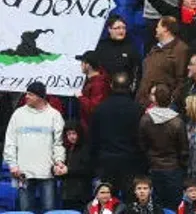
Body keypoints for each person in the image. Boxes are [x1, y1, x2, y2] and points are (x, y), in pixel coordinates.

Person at [3, 81, 66, 213]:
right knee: (25, 210)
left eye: (30, 94)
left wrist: (59, 161)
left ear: (40, 97)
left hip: (47, 173)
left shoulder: (54, 115)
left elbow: (58, 143)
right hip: (23, 172)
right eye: (27, 93)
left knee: (49, 210)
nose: (26, 96)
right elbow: (10, 142)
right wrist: (12, 165)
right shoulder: (18, 114)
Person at [90, 73, 145, 201]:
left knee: (107, 202)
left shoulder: (101, 109)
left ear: (111, 85)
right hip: (131, 161)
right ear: (130, 86)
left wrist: (94, 161)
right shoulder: (137, 109)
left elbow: (93, 138)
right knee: (131, 201)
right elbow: (142, 138)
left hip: (106, 162)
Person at [138, 84, 189, 210]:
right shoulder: (177, 121)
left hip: (154, 167)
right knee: (174, 205)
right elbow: (183, 149)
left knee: (156, 206)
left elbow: (142, 145)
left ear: (154, 99)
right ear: (170, 99)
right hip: (173, 168)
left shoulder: (145, 119)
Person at [136, 16, 190, 107]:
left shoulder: (181, 50)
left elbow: (182, 80)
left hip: (163, 104)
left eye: (158, 26)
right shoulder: (154, 48)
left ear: (165, 29)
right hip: (144, 101)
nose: (156, 29)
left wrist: (171, 100)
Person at [95, 16, 142, 87]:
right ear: (109, 29)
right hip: (103, 88)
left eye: (124, 28)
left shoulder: (131, 48)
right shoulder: (101, 46)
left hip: (124, 89)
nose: (121, 31)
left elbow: (137, 70)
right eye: (118, 28)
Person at [76, 50, 111, 132]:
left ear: (88, 65)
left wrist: (81, 97)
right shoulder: (93, 81)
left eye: (82, 63)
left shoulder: (98, 84)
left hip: (93, 128)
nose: (81, 65)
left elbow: (94, 108)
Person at [62, 121, 91, 212]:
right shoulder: (67, 149)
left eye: (74, 133)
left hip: (82, 194)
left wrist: (68, 171)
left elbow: (88, 170)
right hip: (67, 193)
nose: (71, 136)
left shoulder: (86, 148)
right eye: (68, 134)